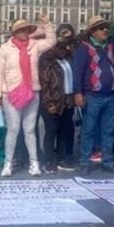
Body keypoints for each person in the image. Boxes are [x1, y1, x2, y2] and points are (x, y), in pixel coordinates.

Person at [73, 7, 114, 174]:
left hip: (110, 96)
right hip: (92, 95)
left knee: (108, 131)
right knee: (88, 130)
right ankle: (85, 162)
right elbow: (78, 71)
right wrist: (78, 93)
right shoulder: (84, 48)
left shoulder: (111, 44)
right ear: (92, 32)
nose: (105, 30)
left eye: (106, 27)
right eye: (101, 28)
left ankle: (107, 162)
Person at [0, 16, 56, 177]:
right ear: (15, 32)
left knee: (29, 130)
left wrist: (47, 24)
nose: (24, 32)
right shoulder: (5, 49)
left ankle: (34, 163)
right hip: (11, 93)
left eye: (26, 29)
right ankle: (8, 163)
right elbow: (0, 74)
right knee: (13, 129)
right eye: (21, 30)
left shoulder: (34, 45)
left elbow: (51, 41)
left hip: (32, 91)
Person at [38, 39, 75, 173]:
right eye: (60, 48)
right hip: (52, 101)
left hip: (67, 101)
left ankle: (61, 159)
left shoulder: (67, 60)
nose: (62, 51)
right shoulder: (47, 61)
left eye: (64, 48)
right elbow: (44, 83)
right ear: (53, 49)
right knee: (51, 130)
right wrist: (49, 103)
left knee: (63, 131)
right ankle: (48, 161)